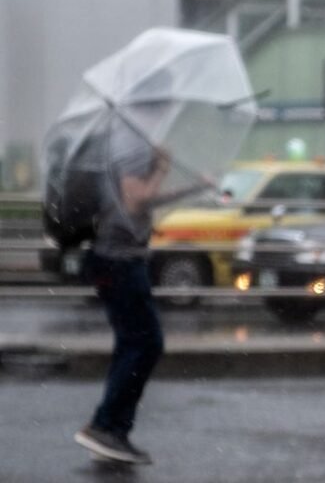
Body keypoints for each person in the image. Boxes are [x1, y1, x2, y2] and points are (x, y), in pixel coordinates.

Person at [73, 135, 211, 465]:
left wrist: (194, 188)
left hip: (116, 258)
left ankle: (112, 429)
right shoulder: (131, 144)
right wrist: (162, 168)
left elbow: (140, 200)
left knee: (132, 343)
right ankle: (106, 426)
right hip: (119, 260)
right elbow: (136, 200)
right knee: (146, 343)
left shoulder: (128, 140)